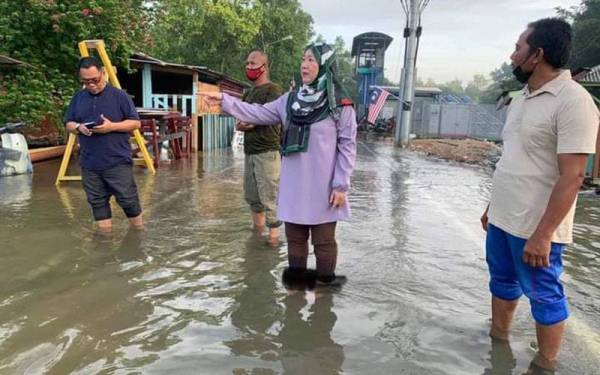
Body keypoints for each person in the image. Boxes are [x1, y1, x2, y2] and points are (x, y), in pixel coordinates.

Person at [480, 18, 599, 371]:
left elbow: (573, 176)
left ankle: (545, 365)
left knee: (544, 293)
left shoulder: (573, 101)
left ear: (538, 55)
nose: (512, 55)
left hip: (537, 227)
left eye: (519, 48)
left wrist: (544, 234)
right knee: (500, 282)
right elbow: (514, 158)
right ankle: (497, 346)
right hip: (503, 217)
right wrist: (492, 206)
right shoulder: (522, 98)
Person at [200, 43, 357, 287]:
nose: (304, 65)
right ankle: (295, 296)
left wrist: (341, 185)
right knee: (295, 239)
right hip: (294, 183)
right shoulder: (289, 102)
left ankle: (323, 300)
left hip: (324, 185)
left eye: (312, 60)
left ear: (325, 65)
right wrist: (224, 101)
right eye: (303, 59)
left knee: (324, 241)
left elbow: (347, 146)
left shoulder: (340, 105)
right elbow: (257, 112)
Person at [64, 57, 143, 231]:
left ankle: (138, 237)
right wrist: (79, 127)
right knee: (97, 204)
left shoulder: (119, 96)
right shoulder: (78, 98)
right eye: (86, 81)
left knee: (128, 200)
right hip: (89, 163)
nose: (91, 84)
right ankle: (105, 245)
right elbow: (68, 123)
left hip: (117, 161)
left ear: (103, 73)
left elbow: (135, 123)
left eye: (95, 80)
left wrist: (111, 127)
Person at [237, 50, 283, 244]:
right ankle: (257, 236)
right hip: (250, 151)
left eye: (253, 63)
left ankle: (273, 242)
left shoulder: (273, 90)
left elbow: (261, 117)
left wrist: (249, 121)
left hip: (268, 152)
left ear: (264, 67)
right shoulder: (248, 92)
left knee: (270, 198)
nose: (249, 67)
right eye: (247, 63)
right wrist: (245, 122)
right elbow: (241, 121)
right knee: (252, 197)